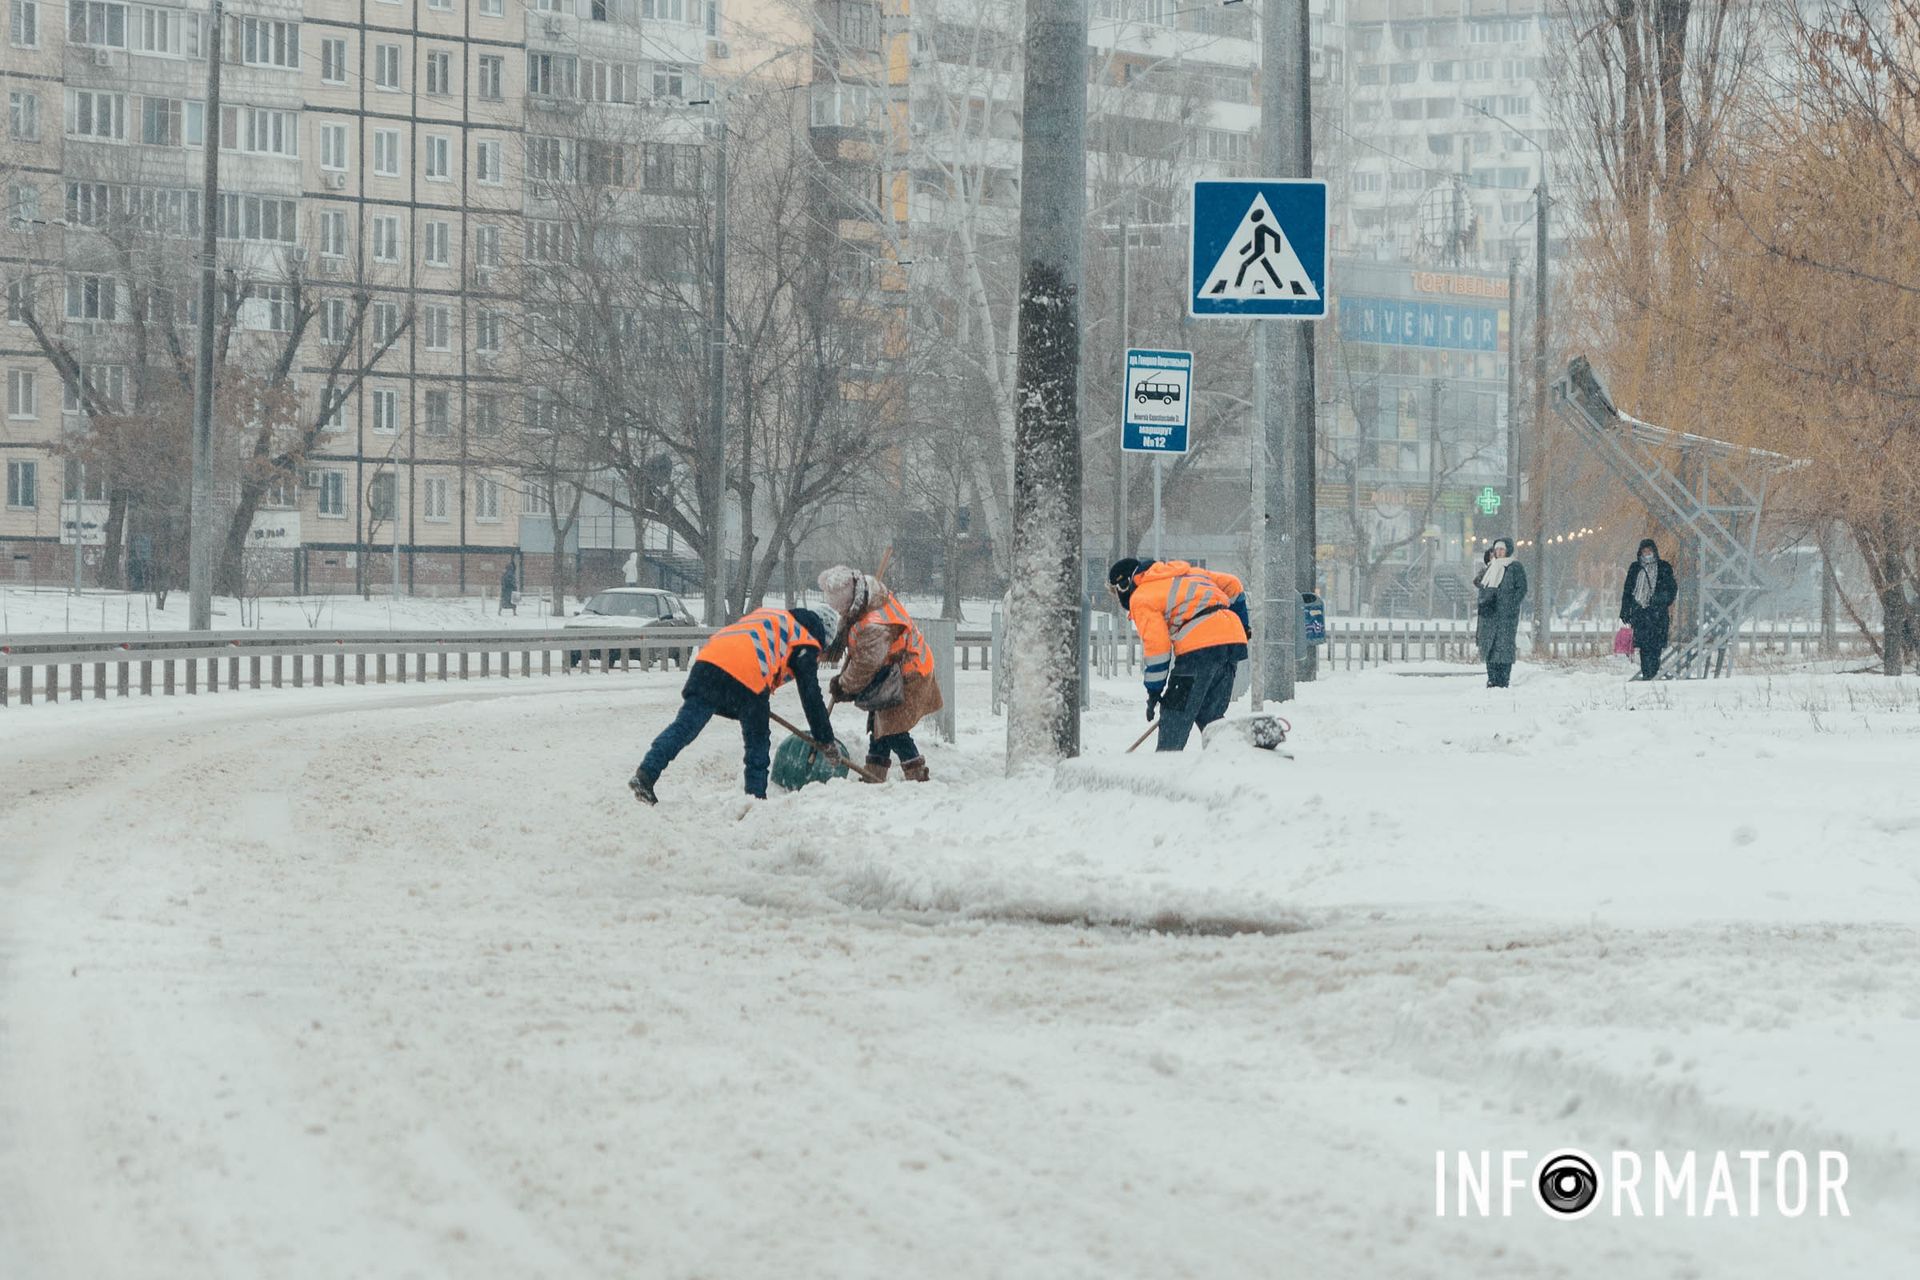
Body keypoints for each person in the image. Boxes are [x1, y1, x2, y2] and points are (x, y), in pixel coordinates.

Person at [629, 605, 842, 805]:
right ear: (823, 636)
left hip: (708, 663)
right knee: (757, 741)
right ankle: (755, 800)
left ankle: (646, 774)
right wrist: (825, 739)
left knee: (685, 727)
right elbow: (811, 694)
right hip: (748, 673)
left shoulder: (772, 619)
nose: (819, 655)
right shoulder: (805, 638)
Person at [1108, 557, 1251, 752]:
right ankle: (1235, 764)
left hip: (1200, 649)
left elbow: (1158, 648)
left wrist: (1154, 691)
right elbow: (1233, 584)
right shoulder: (1187, 572)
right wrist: (1244, 625)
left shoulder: (1141, 597)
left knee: (1174, 715)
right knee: (1210, 716)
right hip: (1232, 642)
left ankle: (1165, 769)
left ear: (1123, 585)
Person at [817, 566, 944, 782]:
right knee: (880, 720)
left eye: (841, 609)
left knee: (893, 727)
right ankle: (873, 774)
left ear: (848, 601)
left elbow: (865, 665)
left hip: (909, 671)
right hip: (891, 669)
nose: (840, 614)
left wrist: (843, 686)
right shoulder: (864, 597)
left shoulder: (874, 624)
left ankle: (918, 776)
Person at [1619, 537, 1679, 681]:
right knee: (1644, 646)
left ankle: (1654, 672)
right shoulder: (1635, 568)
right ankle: (1647, 674)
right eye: (1644, 551)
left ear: (1654, 551)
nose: (1647, 553)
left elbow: (1671, 589)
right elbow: (1628, 590)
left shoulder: (1664, 567)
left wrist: (1660, 600)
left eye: (1649, 551)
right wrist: (1625, 611)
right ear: (1640, 552)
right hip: (1640, 614)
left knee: (1656, 646)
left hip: (1658, 614)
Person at [1478, 539, 1528, 688]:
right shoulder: (1491, 567)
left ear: (1508, 551)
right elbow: (1479, 584)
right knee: (1490, 647)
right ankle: (1491, 678)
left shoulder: (1514, 567)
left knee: (1504, 647)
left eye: (1501, 549)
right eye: (1496, 549)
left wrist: (1511, 605)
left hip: (1506, 616)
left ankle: (1503, 679)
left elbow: (1521, 588)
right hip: (1490, 615)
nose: (1498, 552)